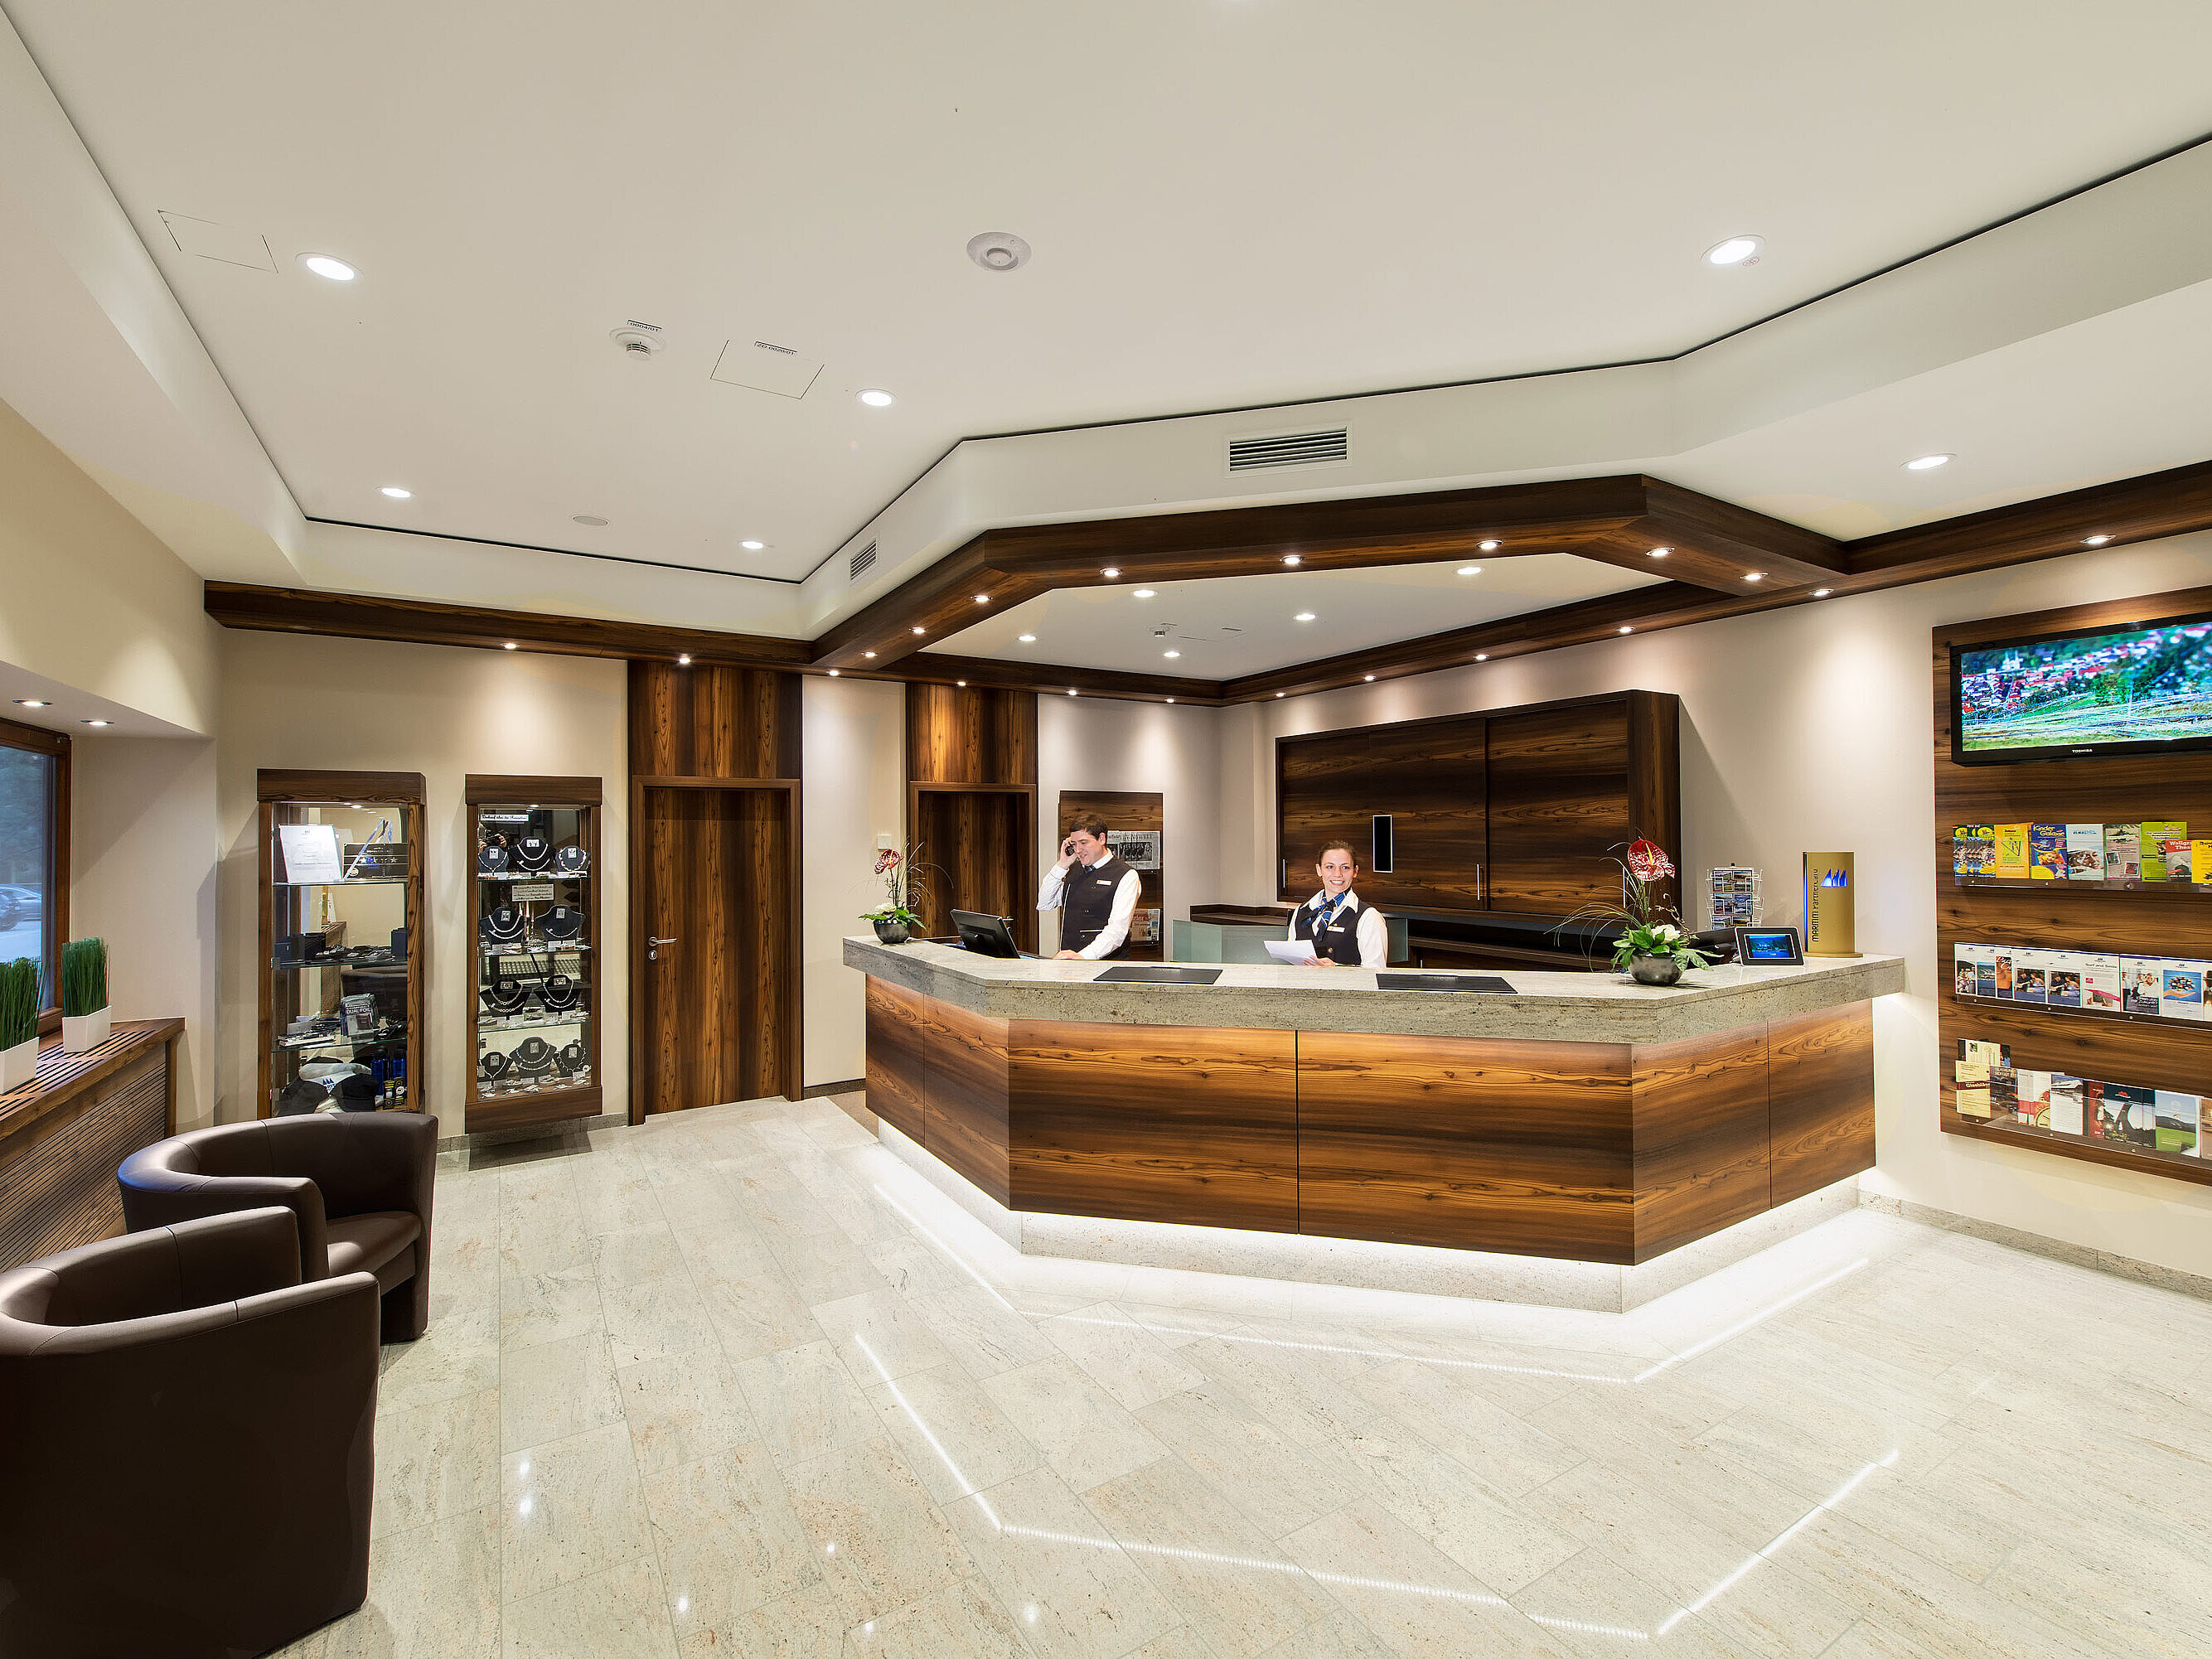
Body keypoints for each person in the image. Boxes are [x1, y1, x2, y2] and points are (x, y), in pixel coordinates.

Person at [1038, 814, 1140, 960]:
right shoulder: (1073, 869)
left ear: (1101, 839)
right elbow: (1044, 903)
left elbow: (1117, 930)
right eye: (1074, 844)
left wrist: (1083, 956)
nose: (1078, 850)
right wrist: (1062, 864)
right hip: (1070, 962)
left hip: (1106, 965)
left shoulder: (1127, 875)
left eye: (1084, 842)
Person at [1291, 839, 1387, 967]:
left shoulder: (1369, 917)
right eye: (1330, 867)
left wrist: (1336, 969)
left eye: (1345, 867)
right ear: (1319, 870)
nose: (1338, 874)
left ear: (1355, 871)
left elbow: (1376, 973)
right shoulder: (1301, 911)